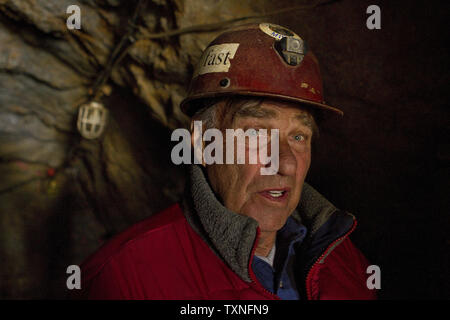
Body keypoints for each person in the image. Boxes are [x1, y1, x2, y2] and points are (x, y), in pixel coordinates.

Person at [75, 23, 376, 300]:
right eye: (257, 133)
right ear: (204, 143)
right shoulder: (123, 278)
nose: (285, 164)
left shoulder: (344, 259)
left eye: (299, 137)